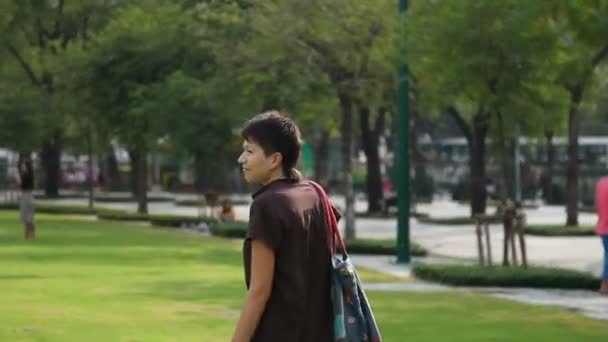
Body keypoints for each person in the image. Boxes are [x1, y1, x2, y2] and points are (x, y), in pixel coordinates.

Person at [232, 111, 335, 342]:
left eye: (249, 151)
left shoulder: (267, 205)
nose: (242, 159)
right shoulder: (313, 193)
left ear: (275, 159)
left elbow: (259, 291)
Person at [16, 159, 36, 240]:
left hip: (26, 196)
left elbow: (21, 184)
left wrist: (17, 177)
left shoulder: (26, 175)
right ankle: (28, 235)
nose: (22, 166)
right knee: (29, 217)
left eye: (23, 165)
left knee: (27, 217)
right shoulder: (30, 175)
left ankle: (30, 235)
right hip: (29, 196)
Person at [595, 177, 608, 294]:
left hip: (603, 227)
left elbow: (598, 205)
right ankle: (604, 286)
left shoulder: (601, 183)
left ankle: (604, 285)